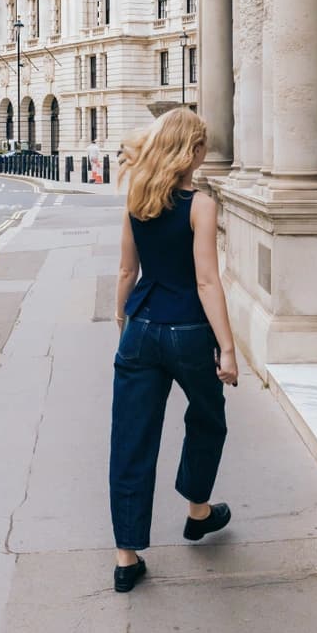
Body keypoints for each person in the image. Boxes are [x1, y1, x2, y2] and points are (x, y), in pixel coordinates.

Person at [109, 108, 238, 594]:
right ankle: (198, 511)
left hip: (141, 327)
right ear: (194, 152)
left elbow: (126, 271)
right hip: (187, 330)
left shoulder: (136, 195)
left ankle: (126, 556)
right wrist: (227, 348)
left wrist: (123, 321)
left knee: (131, 438)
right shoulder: (200, 204)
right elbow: (207, 280)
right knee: (208, 417)